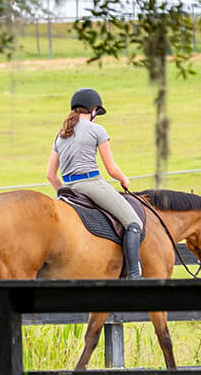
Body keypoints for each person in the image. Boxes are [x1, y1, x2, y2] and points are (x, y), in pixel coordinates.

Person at [45, 86, 143, 278]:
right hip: (91, 183)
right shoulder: (97, 129)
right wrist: (124, 179)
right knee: (133, 223)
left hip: (67, 188)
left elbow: (50, 174)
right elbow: (111, 169)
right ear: (93, 109)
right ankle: (134, 275)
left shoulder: (61, 133)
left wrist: (64, 192)